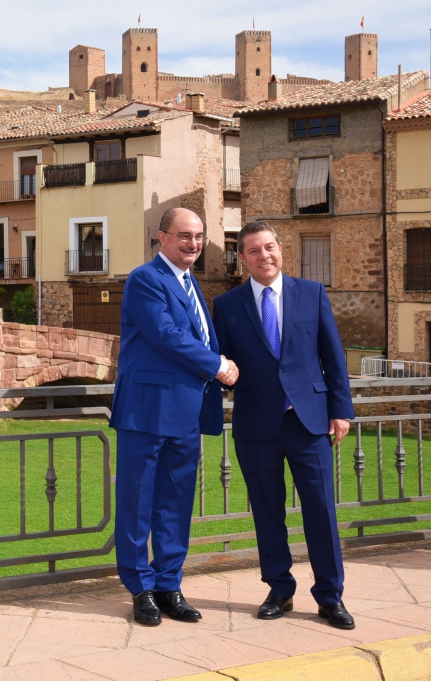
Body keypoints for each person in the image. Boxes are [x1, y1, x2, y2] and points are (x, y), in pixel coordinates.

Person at [212, 221, 355, 630]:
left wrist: (341, 410)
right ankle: (279, 590)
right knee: (267, 511)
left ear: (280, 248)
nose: (265, 256)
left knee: (321, 510)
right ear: (242, 258)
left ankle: (330, 596)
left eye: (269, 247)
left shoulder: (311, 293)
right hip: (256, 424)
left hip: (309, 421)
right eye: (254, 250)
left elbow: (333, 355)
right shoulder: (227, 305)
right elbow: (222, 363)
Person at [111, 208, 238, 626]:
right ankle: (140, 587)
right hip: (146, 410)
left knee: (176, 503)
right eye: (184, 235)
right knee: (137, 502)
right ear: (162, 237)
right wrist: (218, 366)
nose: (193, 243)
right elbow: (166, 335)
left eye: (199, 236)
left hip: (185, 411)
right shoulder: (145, 279)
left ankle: (169, 584)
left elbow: (196, 334)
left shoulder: (189, 282)